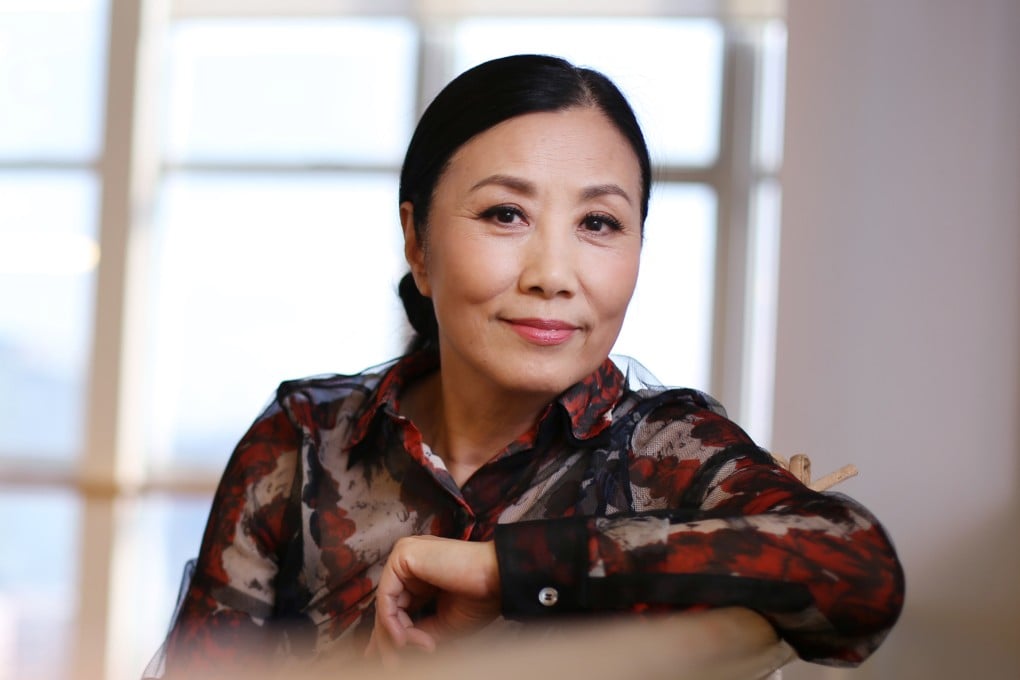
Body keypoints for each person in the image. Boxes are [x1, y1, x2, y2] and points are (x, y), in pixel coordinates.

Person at [150, 54, 904, 678]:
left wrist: (503, 572)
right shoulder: (306, 437)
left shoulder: (663, 451)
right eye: (506, 214)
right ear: (417, 242)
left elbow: (861, 571)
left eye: (599, 223)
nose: (554, 273)